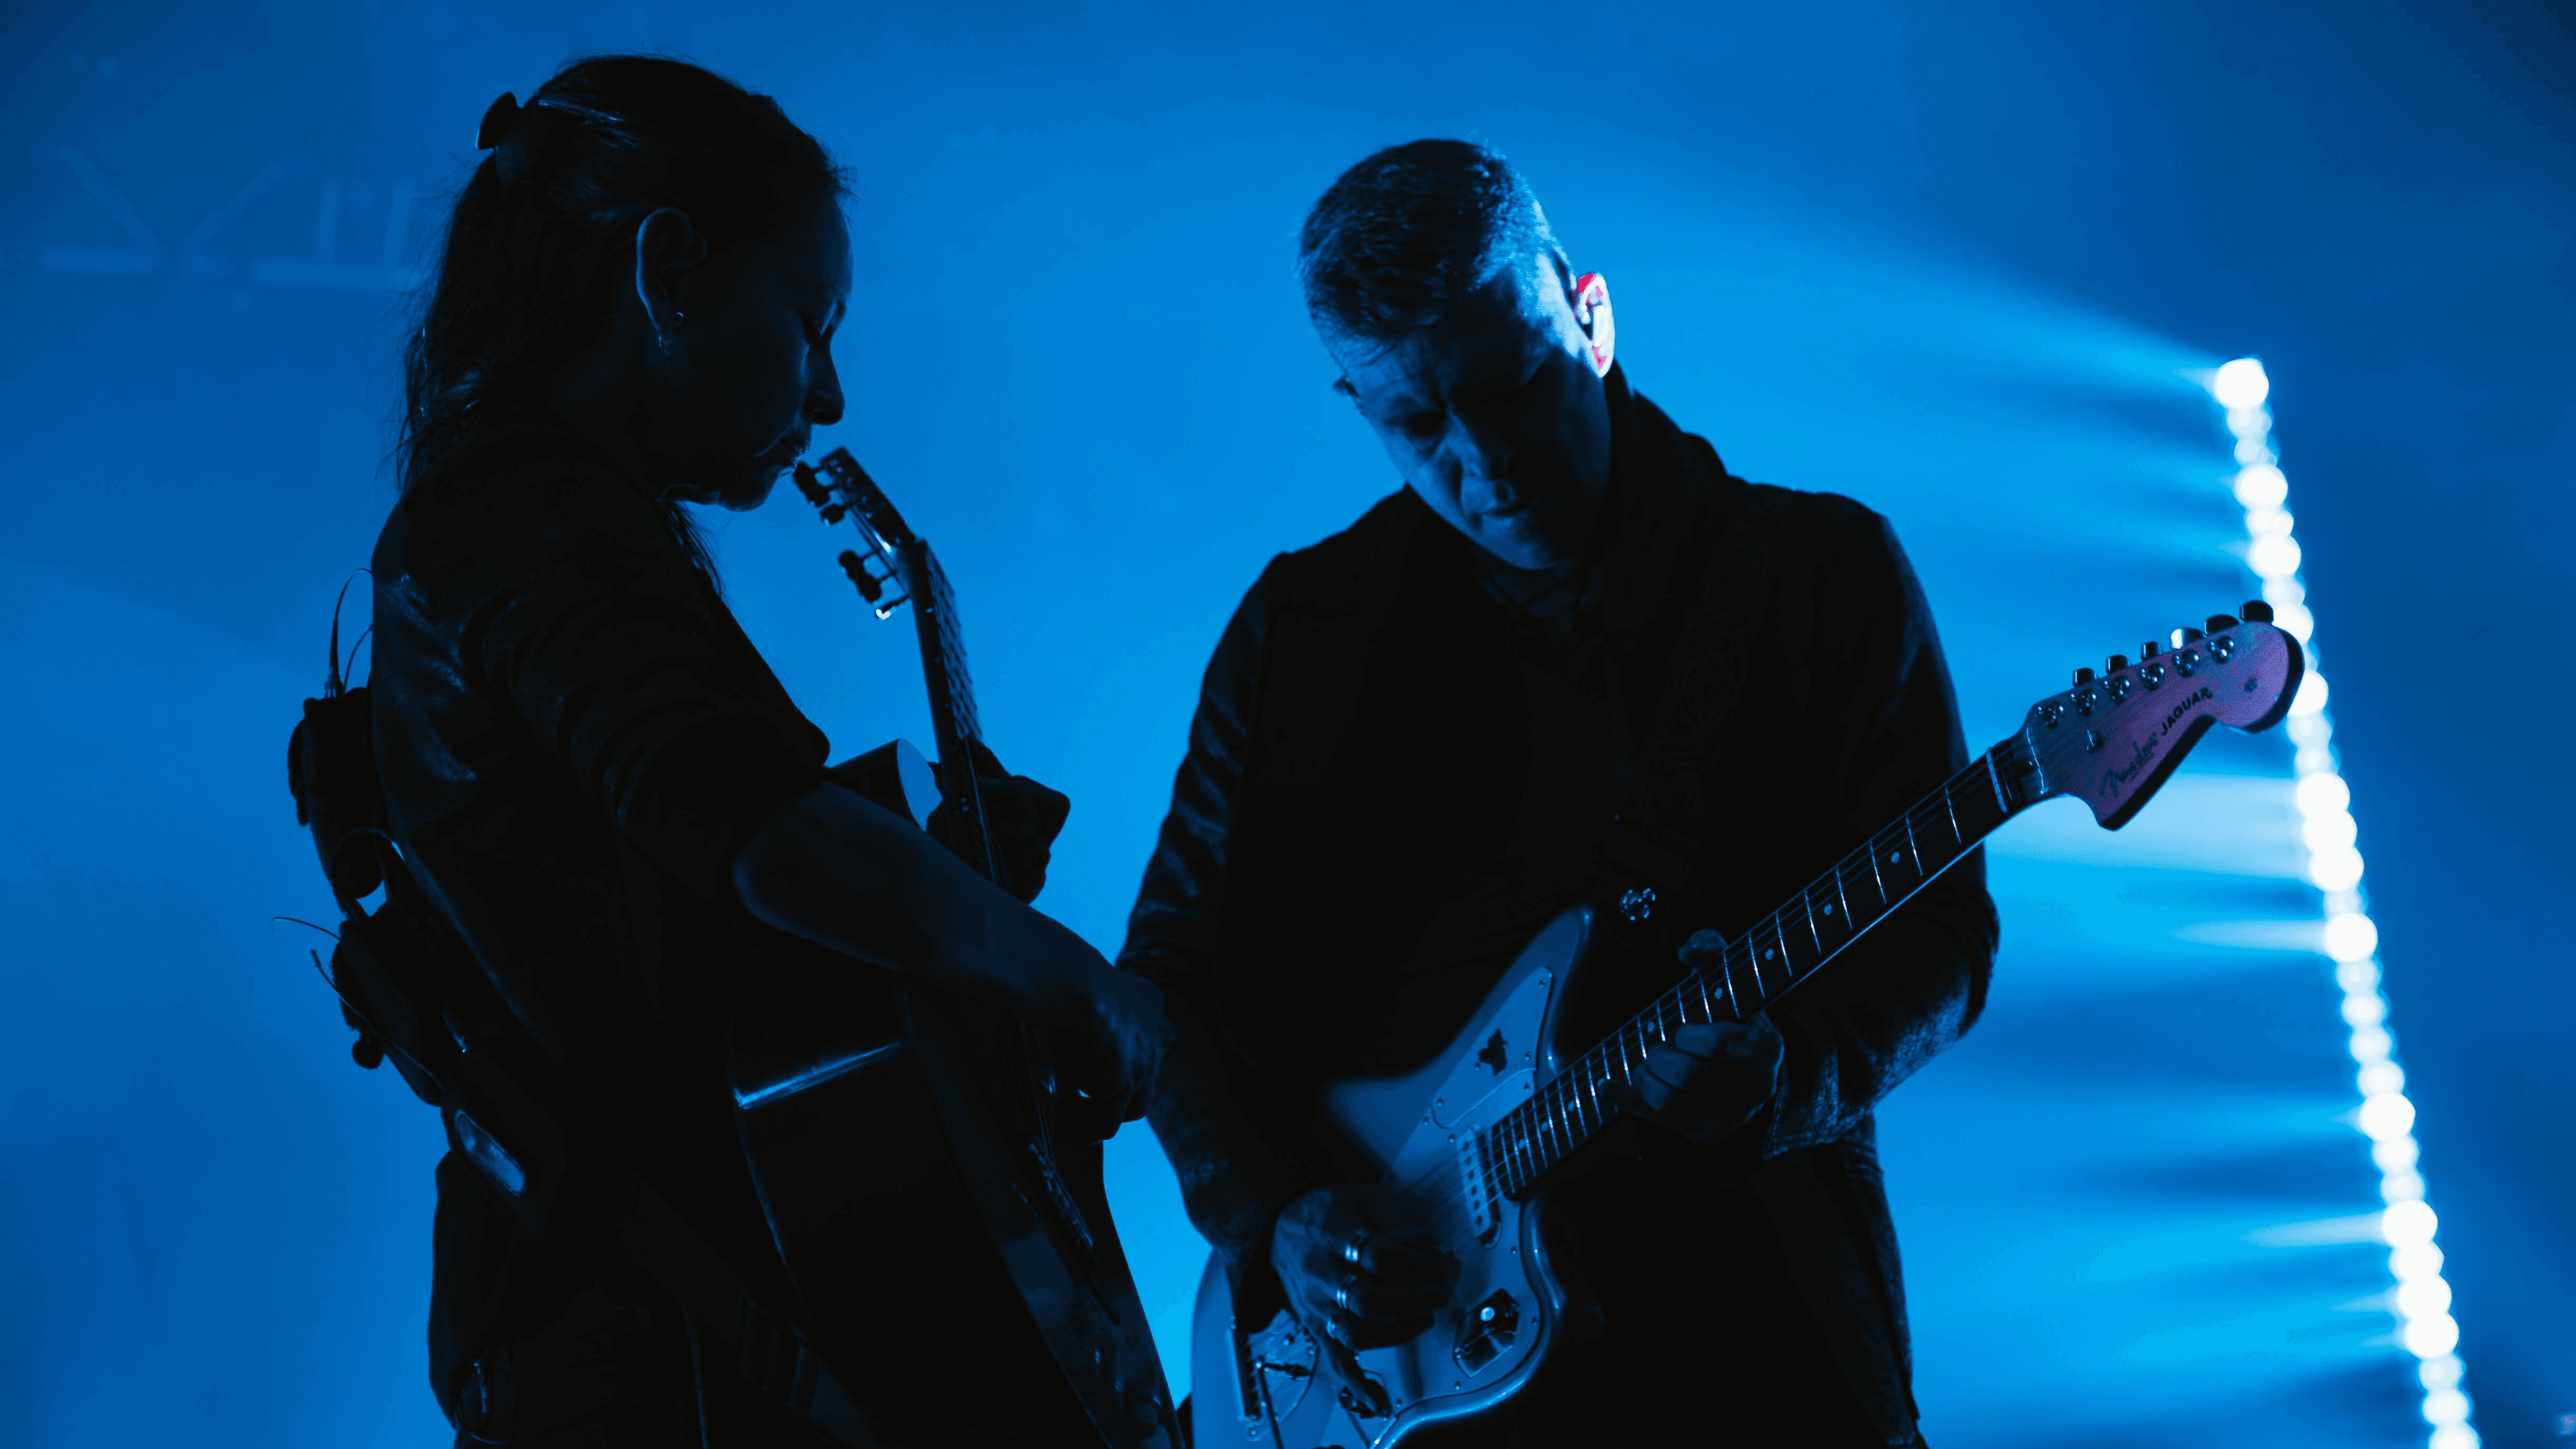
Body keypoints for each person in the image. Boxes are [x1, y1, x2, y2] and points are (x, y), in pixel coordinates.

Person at [1120, 140, 1998, 1446]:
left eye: (1511, 384)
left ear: (1589, 314)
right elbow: (1166, 980)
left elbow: (1942, 934)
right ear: (1358, 407)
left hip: (1752, 1340)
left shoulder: (1817, 575)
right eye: (1417, 424)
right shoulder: (1298, 631)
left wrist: (1784, 1072)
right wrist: (1275, 1218)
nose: (1486, 460)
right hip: (1413, 1379)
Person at [366, 56, 1169, 1446]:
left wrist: (934, 884)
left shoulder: (542, 518)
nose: (833, 391)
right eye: (810, 320)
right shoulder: (517, 516)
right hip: (648, 1363)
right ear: (669, 270)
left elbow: (699, 943)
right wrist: (1057, 974)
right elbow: (747, 824)